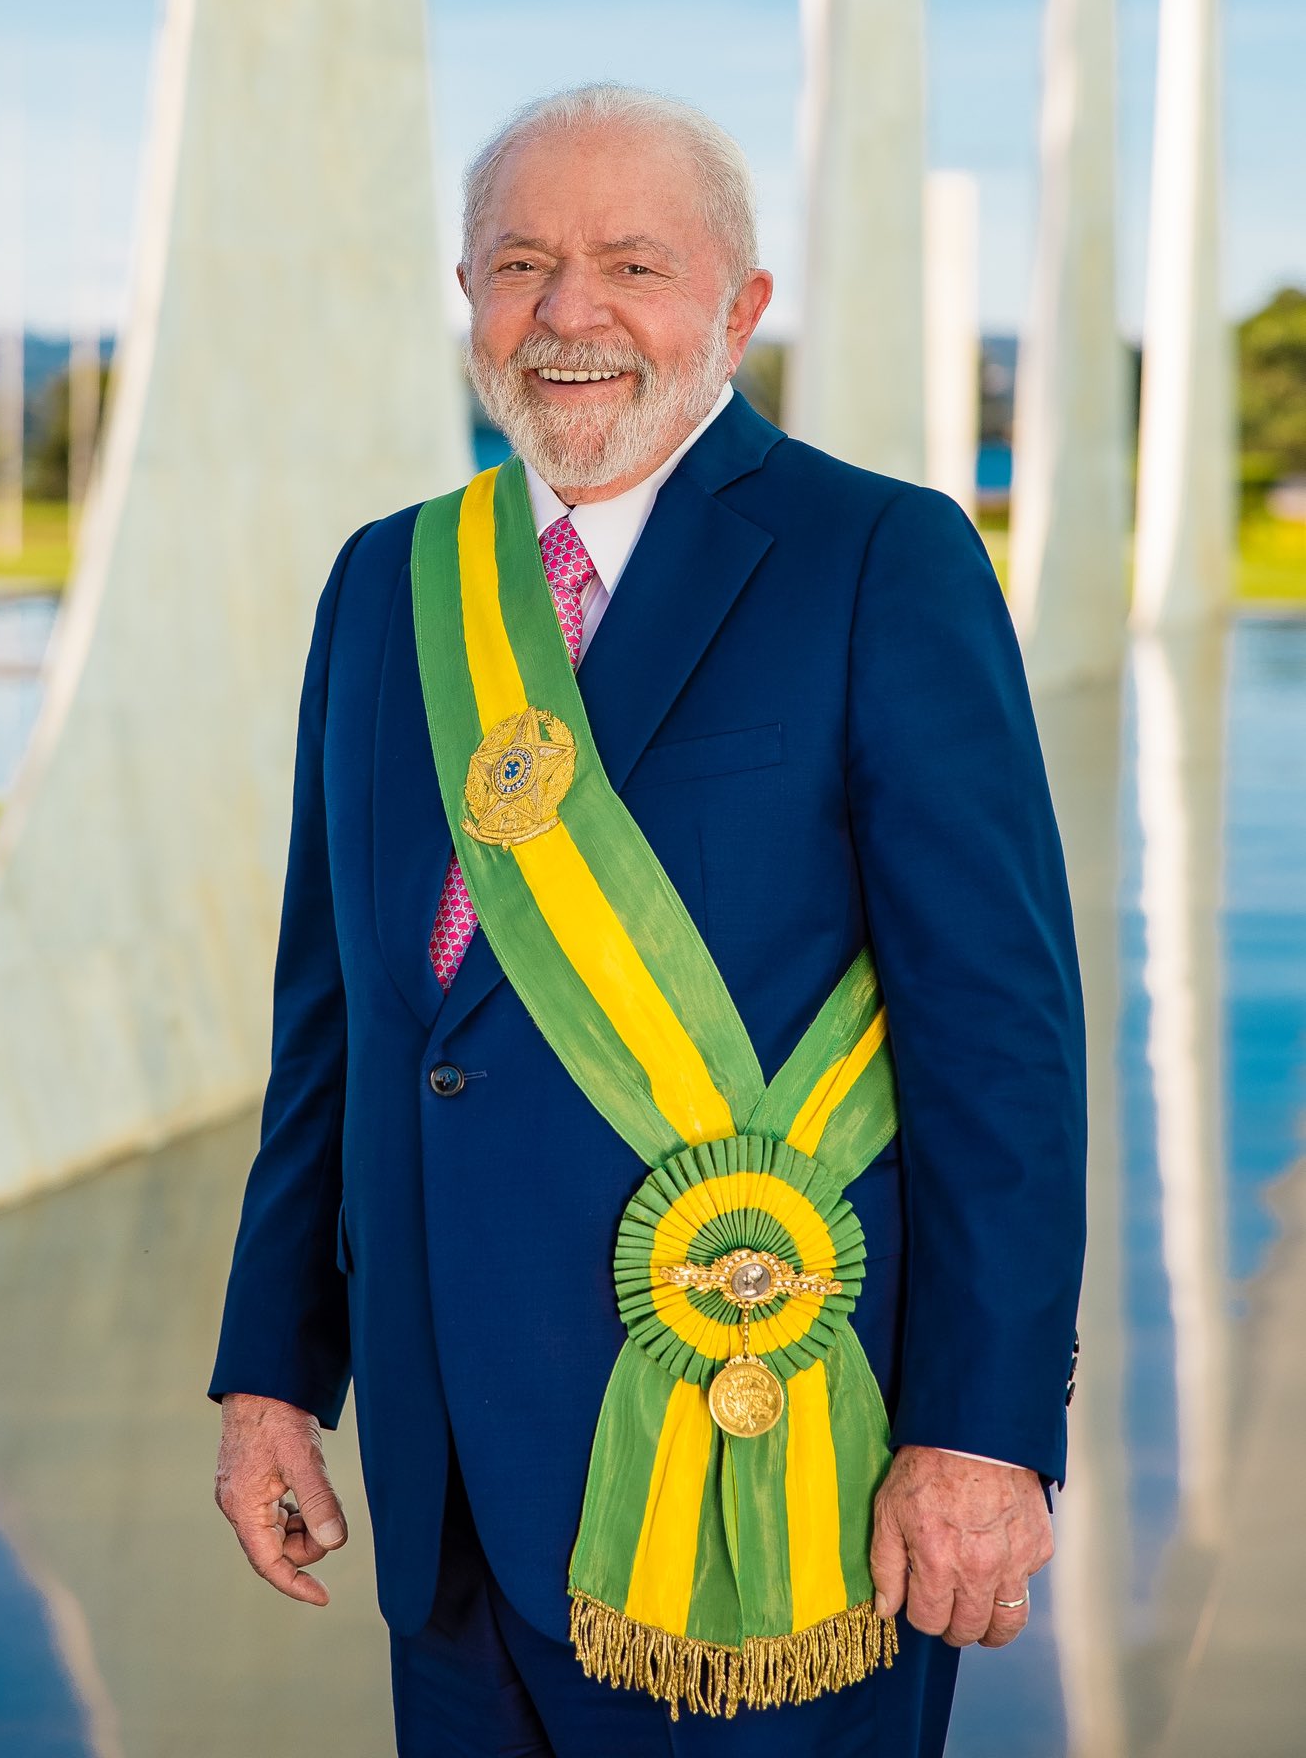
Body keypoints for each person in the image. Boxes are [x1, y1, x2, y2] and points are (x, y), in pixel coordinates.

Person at [210, 84, 1085, 1758]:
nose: (570, 314)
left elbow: (999, 1044)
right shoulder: (387, 583)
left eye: (632, 263)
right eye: (521, 263)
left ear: (741, 308)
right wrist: (271, 1374)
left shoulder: (877, 559)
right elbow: (336, 1025)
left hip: (766, 1453)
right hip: (444, 1457)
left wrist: (981, 1434)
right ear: (467, 295)